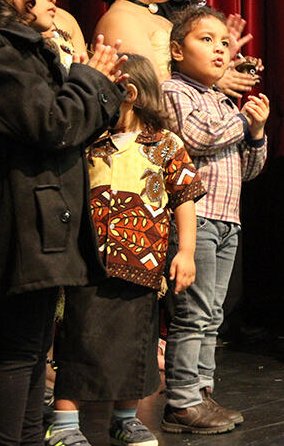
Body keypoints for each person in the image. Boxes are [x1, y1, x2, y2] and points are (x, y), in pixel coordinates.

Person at [0, 0, 126, 444]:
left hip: (45, 216)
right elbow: (53, 124)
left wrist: (93, 85)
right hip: (23, 219)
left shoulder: (21, 50)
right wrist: (90, 79)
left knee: (32, 349)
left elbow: (70, 126)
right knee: (19, 350)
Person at [51, 54, 205, 446]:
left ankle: (125, 418)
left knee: (135, 343)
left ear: (129, 95)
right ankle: (65, 423)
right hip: (90, 263)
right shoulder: (89, 140)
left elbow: (184, 199)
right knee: (79, 338)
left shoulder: (165, 145)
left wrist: (185, 252)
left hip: (143, 263)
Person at [162, 6, 268, 434]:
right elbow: (197, 138)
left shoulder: (223, 100)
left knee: (212, 314)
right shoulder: (175, 90)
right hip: (196, 218)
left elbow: (250, 169)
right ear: (176, 50)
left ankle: (202, 391)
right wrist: (243, 121)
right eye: (206, 40)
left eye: (224, 42)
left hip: (228, 218)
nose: (220, 49)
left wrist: (257, 133)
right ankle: (181, 402)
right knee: (192, 313)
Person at [158, 0, 261, 100]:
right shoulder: (160, 9)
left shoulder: (207, 13)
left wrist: (233, 68)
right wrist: (214, 80)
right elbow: (160, 69)